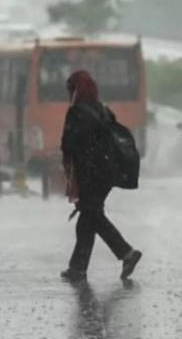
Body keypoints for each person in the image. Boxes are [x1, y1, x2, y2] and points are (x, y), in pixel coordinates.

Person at [59, 70, 142, 282]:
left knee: (93, 215)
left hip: (89, 174)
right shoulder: (103, 110)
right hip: (107, 173)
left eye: (70, 89)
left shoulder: (77, 112)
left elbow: (68, 144)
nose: (69, 93)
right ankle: (77, 268)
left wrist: (68, 168)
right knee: (88, 218)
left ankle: (126, 252)